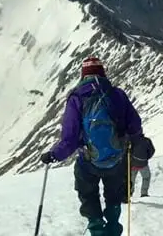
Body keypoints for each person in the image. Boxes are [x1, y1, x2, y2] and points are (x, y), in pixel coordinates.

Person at [40, 57, 142, 236]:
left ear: (83, 75)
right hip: (116, 159)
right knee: (114, 197)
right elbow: (135, 124)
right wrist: (132, 140)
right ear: (103, 73)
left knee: (88, 195)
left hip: (88, 162)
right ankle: (112, 229)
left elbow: (69, 138)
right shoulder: (117, 94)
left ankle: (96, 230)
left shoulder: (77, 98)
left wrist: (54, 155)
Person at [125, 133, 155, 202]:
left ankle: (129, 193)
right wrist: (146, 157)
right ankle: (144, 193)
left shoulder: (131, 141)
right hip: (143, 164)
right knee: (146, 177)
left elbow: (126, 151)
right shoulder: (147, 141)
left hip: (132, 164)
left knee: (131, 179)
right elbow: (152, 151)